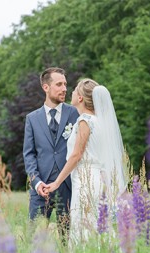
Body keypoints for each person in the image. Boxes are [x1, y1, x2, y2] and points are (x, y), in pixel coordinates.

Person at [46, 78, 126, 244]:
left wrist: (57, 182)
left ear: (80, 98)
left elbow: (77, 155)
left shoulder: (85, 121)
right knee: (98, 224)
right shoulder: (100, 122)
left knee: (84, 225)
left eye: (75, 90)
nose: (72, 92)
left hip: (86, 180)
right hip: (98, 180)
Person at [23, 67, 80, 240]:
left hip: (68, 187)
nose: (64, 88)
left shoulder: (75, 113)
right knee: (34, 239)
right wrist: (37, 183)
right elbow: (29, 154)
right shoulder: (32, 119)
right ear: (46, 87)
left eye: (65, 84)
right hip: (41, 189)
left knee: (68, 240)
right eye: (59, 84)